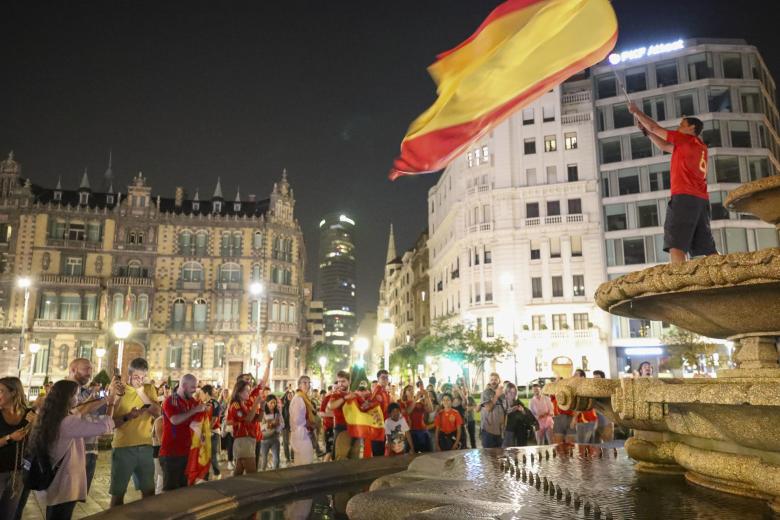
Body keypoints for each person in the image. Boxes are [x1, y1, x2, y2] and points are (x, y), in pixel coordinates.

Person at [629, 102, 715, 264]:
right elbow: (663, 145)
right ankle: (726, 274)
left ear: (691, 129)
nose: (677, 128)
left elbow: (656, 128)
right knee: (707, 247)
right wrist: (646, 132)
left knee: (675, 243)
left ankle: (681, 284)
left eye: (681, 125)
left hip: (684, 198)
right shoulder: (699, 147)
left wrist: (636, 111)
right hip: (700, 201)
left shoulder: (686, 140)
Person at [29, 380, 116, 520]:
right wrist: (111, 404)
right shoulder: (68, 422)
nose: (78, 398)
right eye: (75, 395)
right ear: (67, 398)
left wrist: (105, 398)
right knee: (61, 515)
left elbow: (80, 409)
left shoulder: (51, 416)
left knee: (53, 514)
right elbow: (104, 427)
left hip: (52, 480)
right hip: (64, 482)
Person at [109, 357, 160, 506]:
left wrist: (141, 392)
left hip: (145, 446)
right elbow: (110, 422)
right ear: (129, 375)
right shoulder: (120, 390)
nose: (140, 380)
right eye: (137, 377)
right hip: (123, 447)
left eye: (143, 377)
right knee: (118, 494)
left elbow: (158, 412)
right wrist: (128, 416)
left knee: (149, 492)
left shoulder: (149, 389)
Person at [159, 374, 206, 491]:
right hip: (171, 454)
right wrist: (195, 410)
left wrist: (201, 435)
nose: (195, 390)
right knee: (170, 492)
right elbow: (175, 420)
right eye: (193, 387)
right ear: (184, 386)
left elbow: (194, 422)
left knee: (184, 489)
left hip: (187, 452)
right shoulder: (171, 400)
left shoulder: (192, 402)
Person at [67, 358, 106, 493]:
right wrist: (94, 395)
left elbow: (99, 412)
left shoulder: (86, 391)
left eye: (91, 369)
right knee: (67, 496)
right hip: (72, 453)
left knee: (80, 495)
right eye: (86, 369)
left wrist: (109, 396)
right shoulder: (63, 390)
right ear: (73, 370)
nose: (90, 373)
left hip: (90, 451)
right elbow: (76, 413)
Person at [0, 377, 34, 520]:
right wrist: (10, 438)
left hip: (17, 473)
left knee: (9, 514)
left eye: (1, 391)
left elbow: (35, 443)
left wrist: (36, 425)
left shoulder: (30, 414)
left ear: (13, 393)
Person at [228, 380, 264, 476]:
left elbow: (258, 419)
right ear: (239, 392)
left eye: (249, 390)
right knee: (252, 473)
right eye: (247, 390)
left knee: (238, 472)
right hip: (243, 440)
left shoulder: (245, 405)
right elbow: (248, 419)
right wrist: (256, 403)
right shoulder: (235, 405)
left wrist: (262, 408)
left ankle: (232, 490)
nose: (249, 392)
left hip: (248, 439)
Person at [363, 370, 391, 457]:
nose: (385, 380)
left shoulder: (385, 393)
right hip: (377, 428)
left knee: (381, 452)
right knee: (378, 454)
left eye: (386, 378)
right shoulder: (377, 390)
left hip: (383, 427)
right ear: (378, 379)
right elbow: (368, 405)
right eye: (383, 378)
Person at [289, 376, 316, 465]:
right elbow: (297, 420)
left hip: (302, 433)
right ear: (299, 385)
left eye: (309, 383)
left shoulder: (303, 397)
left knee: (301, 462)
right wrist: (309, 423)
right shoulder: (299, 398)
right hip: (300, 434)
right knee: (306, 462)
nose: (307, 385)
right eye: (305, 383)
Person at [199, 385, 221, 479]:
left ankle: (217, 473)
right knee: (205, 455)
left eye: (201, 393)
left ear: (206, 393)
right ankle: (205, 476)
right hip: (206, 433)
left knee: (212, 455)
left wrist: (207, 431)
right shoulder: (204, 403)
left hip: (213, 433)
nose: (200, 395)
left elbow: (214, 419)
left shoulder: (214, 403)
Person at [502, 383, 534, 447]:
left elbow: (527, 416)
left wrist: (523, 411)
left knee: (519, 452)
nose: (513, 395)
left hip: (520, 433)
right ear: (506, 392)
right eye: (510, 392)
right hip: (508, 431)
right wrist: (510, 410)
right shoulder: (503, 402)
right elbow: (501, 416)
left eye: (514, 393)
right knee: (507, 451)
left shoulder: (518, 402)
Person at [403, 382, 432, 453]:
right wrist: (415, 399)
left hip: (423, 432)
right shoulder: (403, 403)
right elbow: (408, 411)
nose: (411, 391)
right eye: (409, 390)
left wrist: (427, 396)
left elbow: (430, 409)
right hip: (411, 433)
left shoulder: (419, 403)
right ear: (405, 393)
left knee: (427, 455)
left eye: (412, 389)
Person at [479, 373, 505, 448]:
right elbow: (488, 408)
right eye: (492, 380)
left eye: (495, 380)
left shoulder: (503, 394)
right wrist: (496, 395)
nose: (493, 381)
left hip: (499, 431)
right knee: (488, 456)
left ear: (499, 380)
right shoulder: (486, 393)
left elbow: (505, 410)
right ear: (489, 381)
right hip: (488, 431)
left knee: (499, 456)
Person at [571, 370, 598, 444]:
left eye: (576, 374)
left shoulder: (586, 387)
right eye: (574, 374)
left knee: (585, 445)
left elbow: (585, 403)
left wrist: (574, 418)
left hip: (587, 420)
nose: (574, 376)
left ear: (582, 377)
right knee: (585, 445)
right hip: (583, 421)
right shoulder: (576, 388)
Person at [260, 395, 284, 470]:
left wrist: (277, 427)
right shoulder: (263, 413)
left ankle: (275, 476)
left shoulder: (277, 412)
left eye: (274, 403)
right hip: (264, 439)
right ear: (267, 403)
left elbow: (283, 423)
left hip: (275, 438)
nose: (273, 405)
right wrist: (268, 425)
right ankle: (262, 476)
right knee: (264, 460)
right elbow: (260, 426)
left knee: (276, 460)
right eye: (271, 403)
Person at [592, 370, 614, 443]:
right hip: (595, 419)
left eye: (597, 378)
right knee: (595, 443)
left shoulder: (607, 389)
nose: (595, 380)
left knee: (607, 442)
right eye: (594, 378)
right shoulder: (592, 390)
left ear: (603, 379)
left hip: (606, 418)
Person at [281, 389, 293, 464]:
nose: (290, 396)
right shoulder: (283, 405)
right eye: (289, 395)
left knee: (293, 442)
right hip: (285, 426)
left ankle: (292, 456)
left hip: (293, 426)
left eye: (291, 395)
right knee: (285, 442)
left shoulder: (295, 404)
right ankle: (287, 457)